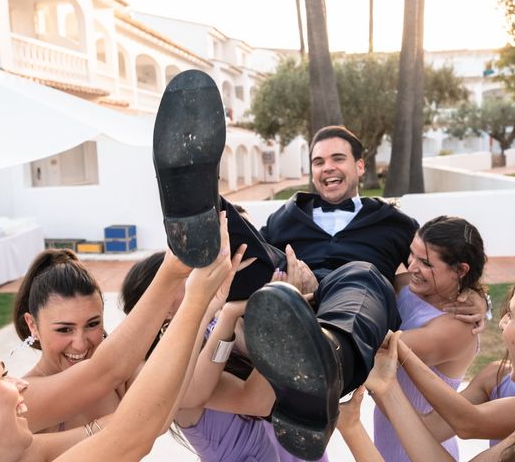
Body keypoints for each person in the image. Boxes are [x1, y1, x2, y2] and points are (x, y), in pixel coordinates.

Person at [152, 69, 487, 459]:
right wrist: (289, 286)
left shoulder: (394, 222)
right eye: (318, 161)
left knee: (361, 274)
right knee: (242, 248)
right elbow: (261, 265)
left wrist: (477, 298)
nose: (327, 167)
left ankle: (324, 361)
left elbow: (422, 272)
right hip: (294, 302)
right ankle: (196, 197)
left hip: (355, 298)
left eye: (338, 159)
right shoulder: (284, 217)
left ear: (360, 167)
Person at [0, 227, 233, 462]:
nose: (18, 384)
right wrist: (183, 287)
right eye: (2, 375)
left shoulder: (23, 448)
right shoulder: (27, 412)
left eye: (93, 323)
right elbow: (125, 417)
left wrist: (209, 310)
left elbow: (156, 412)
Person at [121, 250, 330, 462]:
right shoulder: (162, 371)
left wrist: (293, 299)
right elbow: (257, 400)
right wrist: (284, 312)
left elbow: (280, 357)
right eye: (186, 278)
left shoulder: (216, 322)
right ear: (163, 308)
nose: (197, 279)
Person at [362, 258, 515, 461]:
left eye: (511, 315)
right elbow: (446, 424)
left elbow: (467, 422)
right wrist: (387, 386)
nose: (501, 322)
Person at [11, 246, 194, 433]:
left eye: (92, 324)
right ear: (32, 325)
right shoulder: (22, 398)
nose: (80, 343)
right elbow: (103, 375)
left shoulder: (120, 378)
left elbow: (168, 403)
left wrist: (202, 308)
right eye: (64, 329)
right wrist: (170, 273)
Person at [373, 215, 486, 461]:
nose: (412, 266)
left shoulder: (457, 328)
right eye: (411, 255)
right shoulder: (411, 287)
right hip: (388, 444)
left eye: (425, 262)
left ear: (461, 270)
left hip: (417, 452)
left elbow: (377, 350)